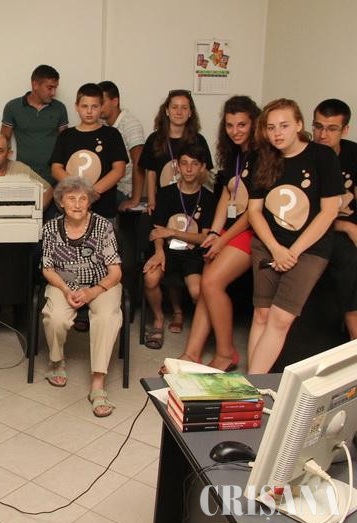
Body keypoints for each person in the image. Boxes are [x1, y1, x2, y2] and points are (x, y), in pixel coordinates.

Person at [247, 99, 342, 374]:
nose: (277, 133)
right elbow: (254, 211)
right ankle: (252, 386)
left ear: (299, 125)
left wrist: (293, 252)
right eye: (271, 127)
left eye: (284, 126)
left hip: (309, 249)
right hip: (269, 244)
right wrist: (275, 248)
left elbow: (329, 211)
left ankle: (252, 385)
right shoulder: (262, 158)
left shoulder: (323, 157)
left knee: (280, 318)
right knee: (261, 313)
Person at [174, 96, 261, 371]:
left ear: (254, 123)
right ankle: (191, 354)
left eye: (242, 125)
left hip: (252, 229)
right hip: (228, 228)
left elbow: (254, 211)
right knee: (207, 285)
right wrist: (214, 231)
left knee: (211, 283)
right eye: (230, 125)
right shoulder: (234, 153)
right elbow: (227, 195)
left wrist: (223, 238)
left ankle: (226, 353)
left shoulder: (263, 156)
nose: (235, 131)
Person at [41, 177, 122, 417]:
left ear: (89, 202)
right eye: (71, 198)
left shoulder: (103, 226)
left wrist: (92, 292)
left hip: (101, 284)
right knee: (55, 317)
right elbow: (47, 269)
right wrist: (66, 290)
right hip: (63, 283)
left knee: (106, 318)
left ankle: (97, 383)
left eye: (82, 199)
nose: (77, 204)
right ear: (61, 202)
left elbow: (116, 272)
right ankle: (57, 362)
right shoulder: (50, 228)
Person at [143, 144, 216, 349]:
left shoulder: (209, 198)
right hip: (168, 250)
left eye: (194, 164)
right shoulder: (166, 193)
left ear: (203, 167)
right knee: (150, 278)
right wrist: (159, 252)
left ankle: (200, 329)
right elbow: (158, 231)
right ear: (177, 166)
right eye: (184, 163)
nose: (189, 169)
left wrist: (173, 232)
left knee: (197, 291)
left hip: (193, 254)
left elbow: (204, 238)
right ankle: (158, 319)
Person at [49, 83, 128, 222]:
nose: (89, 111)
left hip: (104, 210)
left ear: (102, 107)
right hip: (71, 208)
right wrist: (78, 192)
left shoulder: (112, 134)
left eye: (94, 106)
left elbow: (119, 170)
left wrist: (92, 192)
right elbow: (56, 168)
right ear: (76, 107)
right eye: (84, 106)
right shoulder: (66, 135)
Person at [311, 98, 357, 339]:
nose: (322, 135)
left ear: (345, 130)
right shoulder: (305, 156)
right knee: (350, 261)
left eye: (331, 129)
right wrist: (346, 227)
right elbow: (306, 214)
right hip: (320, 228)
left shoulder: (353, 154)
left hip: (350, 224)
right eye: (318, 126)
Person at [140, 90, 214, 214]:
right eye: (174, 107)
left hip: (192, 202)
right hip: (163, 202)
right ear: (167, 111)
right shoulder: (154, 139)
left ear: (190, 112)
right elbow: (151, 173)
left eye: (184, 108)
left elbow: (205, 173)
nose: (179, 112)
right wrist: (152, 202)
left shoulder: (198, 140)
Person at [1, 65, 69, 190]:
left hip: (53, 178)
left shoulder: (60, 108)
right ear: (35, 85)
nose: (53, 93)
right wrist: (3, 171)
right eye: (50, 88)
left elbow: (65, 143)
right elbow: (3, 140)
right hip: (24, 176)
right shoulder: (13, 107)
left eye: (55, 88)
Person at [0, 134, 53, 208]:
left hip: (20, 220)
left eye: (0, 151)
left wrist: (36, 211)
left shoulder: (21, 169)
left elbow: (48, 189)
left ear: (9, 153)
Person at [98, 81, 146, 211]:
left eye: (102, 102)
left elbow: (139, 163)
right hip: (108, 185)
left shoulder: (130, 124)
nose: (98, 107)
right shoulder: (102, 125)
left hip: (123, 190)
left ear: (115, 102)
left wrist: (135, 199)